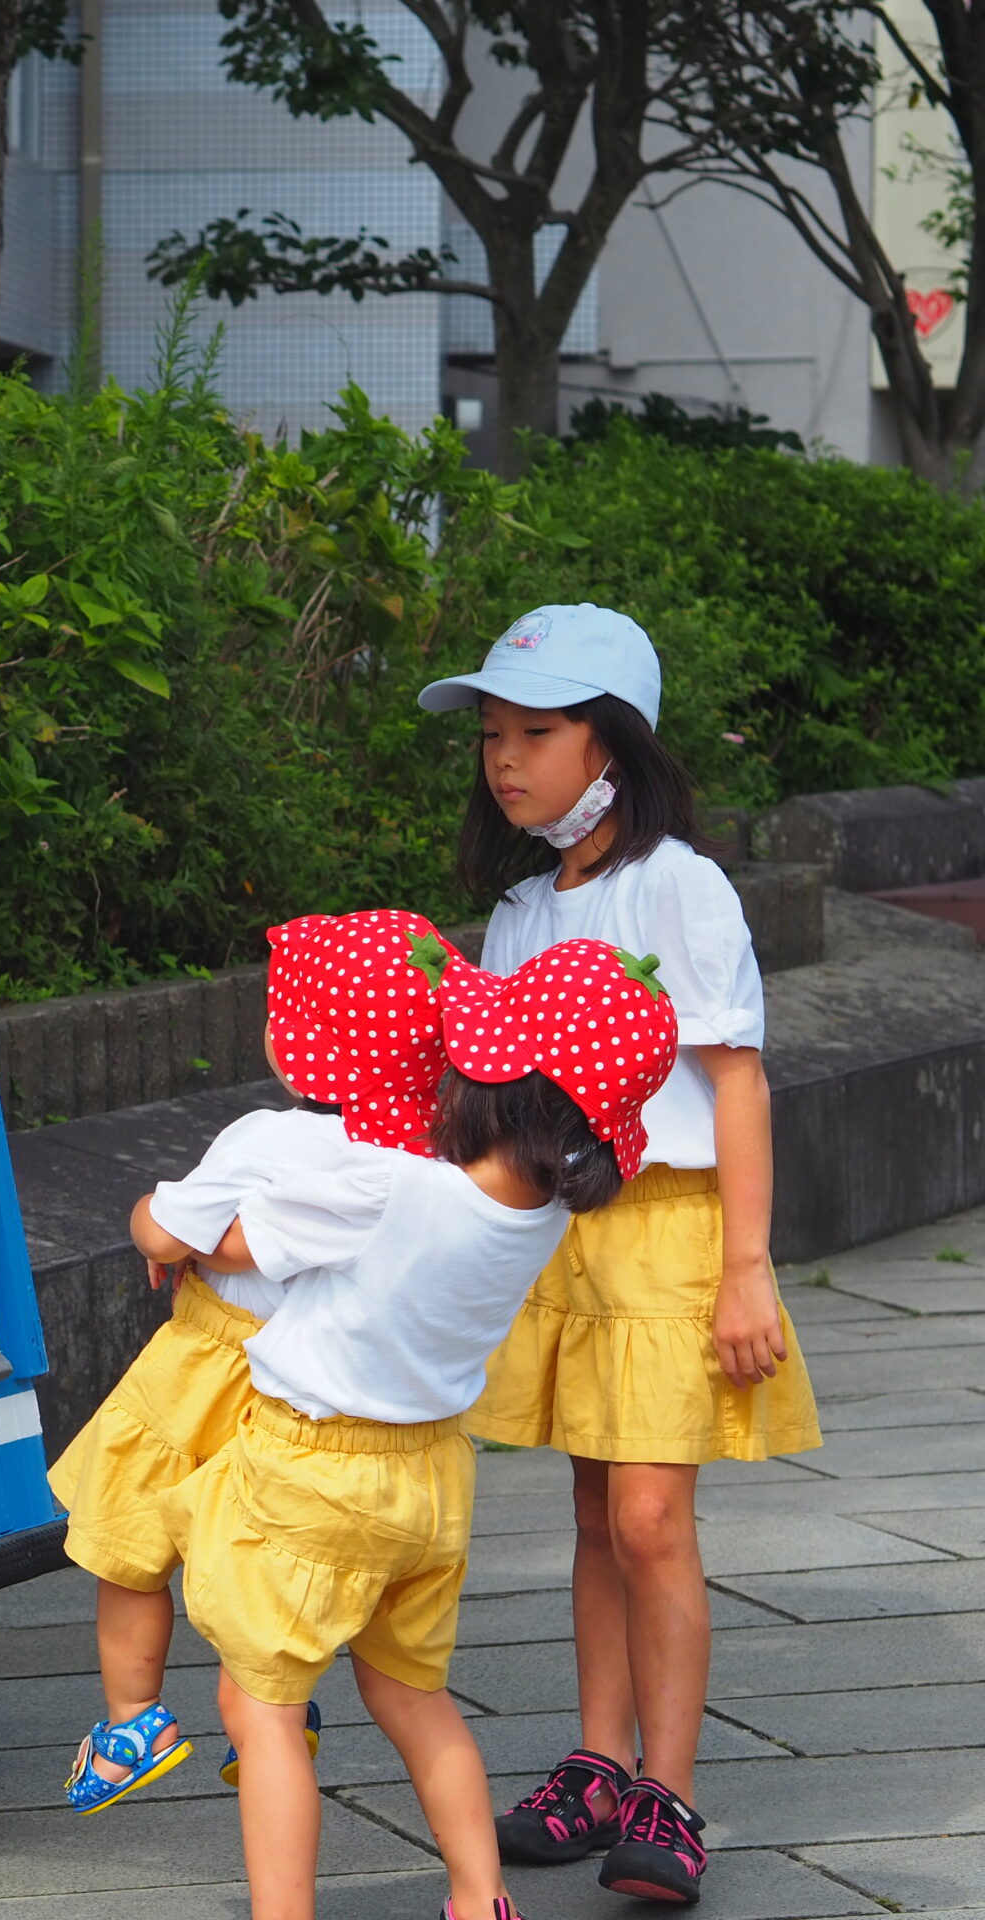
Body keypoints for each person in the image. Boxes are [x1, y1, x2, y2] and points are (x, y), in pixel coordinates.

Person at [417, 605, 822, 1903]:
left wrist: (747, 1262)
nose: (505, 758)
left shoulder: (679, 885)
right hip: (565, 1239)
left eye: (537, 731)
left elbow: (738, 1079)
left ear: (616, 746)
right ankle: (598, 1764)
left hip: (670, 1237)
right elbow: (499, 1110)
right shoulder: (523, 907)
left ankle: (672, 1792)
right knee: (593, 1512)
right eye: (493, 735)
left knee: (651, 1518)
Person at [164, 939, 681, 1920]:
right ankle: (480, 1898)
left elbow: (225, 1244)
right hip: (431, 1484)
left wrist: (165, 1225)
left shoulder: (388, 1186)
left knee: (260, 1708)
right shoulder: (538, 1219)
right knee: (413, 1697)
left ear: (494, 1078)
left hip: (315, 1471)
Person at [50, 908, 476, 1814]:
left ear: (297, 1042)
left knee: (132, 1530)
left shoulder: (266, 1140)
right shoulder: (429, 1156)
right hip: (312, 1398)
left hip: (207, 1368)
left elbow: (164, 1227)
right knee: (274, 1557)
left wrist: (155, 1234)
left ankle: (132, 1718)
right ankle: (283, 1706)